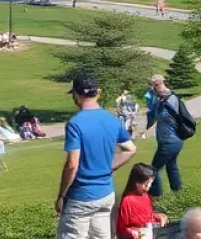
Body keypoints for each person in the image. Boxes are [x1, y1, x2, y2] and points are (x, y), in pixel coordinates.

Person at [55, 74, 136, 239]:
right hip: (106, 193)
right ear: (97, 93)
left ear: (76, 95)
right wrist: (108, 167)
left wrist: (61, 195)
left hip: (81, 196)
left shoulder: (75, 123)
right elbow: (130, 149)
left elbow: (72, 164)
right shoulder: (111, 119)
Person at [141, 73, 189, 199]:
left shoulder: (168, 99)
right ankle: (178, 193)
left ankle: (156, 196)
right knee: (171, 165)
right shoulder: (163, 99)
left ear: (163, 83)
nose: (157, 88)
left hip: (170, 141)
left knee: (153, 169)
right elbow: (152, 119)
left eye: (158, 84)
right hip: (173, 141)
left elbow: (156, 116)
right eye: (154, 85)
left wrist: (154, 101)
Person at [116, 163, 168, 239]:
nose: (148, 186)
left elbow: (146, 216)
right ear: (136, 181)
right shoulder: (128, 200)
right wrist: (133, 233)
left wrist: (158, 217)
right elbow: (122, 227)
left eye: (151, 183)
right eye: (146, 183)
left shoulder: (145, 195)